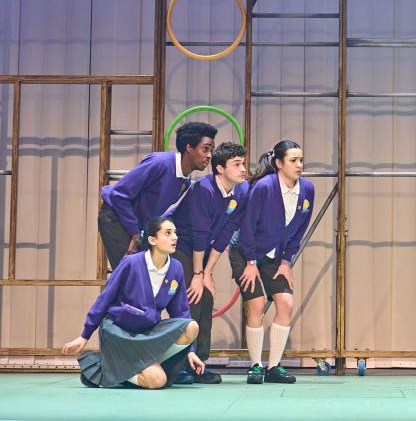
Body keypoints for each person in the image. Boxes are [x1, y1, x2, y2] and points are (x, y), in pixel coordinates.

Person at [62, 217, 206, 388]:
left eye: (175, 233)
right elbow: (105, 298)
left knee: (191, 327)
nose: (174, 237)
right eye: (168, 233)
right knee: (157, 381)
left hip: (148, 334)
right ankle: (105, 369)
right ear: (152, 240)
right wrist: (85, 335)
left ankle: (121, 368)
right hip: (120, 333)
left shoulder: (176, 268)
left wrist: (189, 351)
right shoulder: (131, 263)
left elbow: (181, 312)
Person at [230, 140, 315, 384]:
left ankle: (274, 366)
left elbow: (300, 229)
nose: (299, 165)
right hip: (246, 252)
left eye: (301, 160)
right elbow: (246, 226)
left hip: (276, 257)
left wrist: (286, 261)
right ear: (278, 164)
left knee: (285, 303)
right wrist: (250, 262)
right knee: (256, 305)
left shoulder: (307, 190)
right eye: (293, 160)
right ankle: (256, 366)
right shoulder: (265, 187)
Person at [169, 142, 249, 384]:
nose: (243, 169)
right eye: (237, 164)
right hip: (180, 246)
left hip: (201, 251)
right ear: (220, 169)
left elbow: (227, 232)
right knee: (193, 297)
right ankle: (182, 364)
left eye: (243, 163)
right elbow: (198, 234)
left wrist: (208, 273)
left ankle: (199, 363)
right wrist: (197, 274)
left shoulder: (242, 191)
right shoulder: (203, 190)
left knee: (207, 298)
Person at [99, 121, 217, 268]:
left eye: (211, 150)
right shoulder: (160, 163)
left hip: (136, 226)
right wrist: (135, 234)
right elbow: (118, 195)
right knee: (131, 273)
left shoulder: (185, 181)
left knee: (143, 274)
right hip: (115, 216)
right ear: (189, 148)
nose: (209, 155)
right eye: (205, 149)